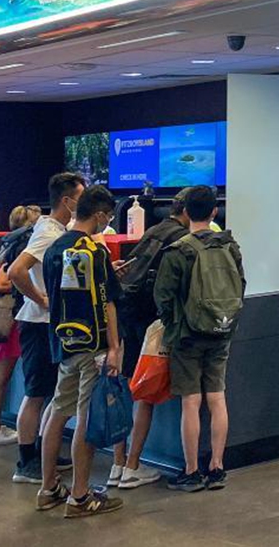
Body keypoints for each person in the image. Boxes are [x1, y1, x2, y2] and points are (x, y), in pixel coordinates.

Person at [36, 186, 124, 517]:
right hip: (95, 345)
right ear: (100, 214)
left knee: (58, 411)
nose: (107, 223)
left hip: (63, 341)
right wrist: (114, 347)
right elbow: (109, 304)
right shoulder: (95, 252)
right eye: (108, 217)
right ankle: (81, 496)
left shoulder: (54, 248)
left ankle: (48, 488)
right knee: (87, 418)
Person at [155, 186, 245, 493]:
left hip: (187, 335)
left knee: (190, 403)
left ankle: (192, 471)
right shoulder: (230, 247)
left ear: (184, 212)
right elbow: (241, 285)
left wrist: (174, 324)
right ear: (214, 212)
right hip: (222, 331)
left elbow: (163, 296)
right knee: (217, 398)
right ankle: (217, 467)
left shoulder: (180, 250)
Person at [107, 188, 192, 490]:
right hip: (151, 323)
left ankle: (118, 464)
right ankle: (133, 466)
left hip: (127, 317)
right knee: (145, 395)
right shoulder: (181, 239)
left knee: (124, 390)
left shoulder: (152, 230)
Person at [8, 174, 85, 483]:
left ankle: (43, 452)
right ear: (67, 201)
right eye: (81, 196)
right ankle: (27, 461)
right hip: (37, 324)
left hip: (48, 324)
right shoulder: (48, 233)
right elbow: (16, 271)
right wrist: (41, 299)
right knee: (36, 392)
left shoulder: (57, 230)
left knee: (51, 391)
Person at [0, 205, 43, 447]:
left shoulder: (6, 247)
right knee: (0, 377)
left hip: (0, 319)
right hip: (5, 321)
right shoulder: (16, 251)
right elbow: (1, 284)